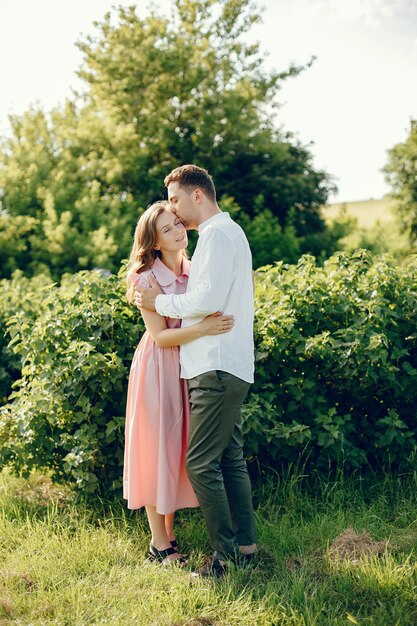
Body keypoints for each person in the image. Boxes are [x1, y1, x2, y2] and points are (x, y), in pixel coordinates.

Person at [134, 165, 257, 576]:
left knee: (203, 463)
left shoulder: (217, 237)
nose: (174, 211)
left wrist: (159, 304)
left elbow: (204, 299)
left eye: (175, 201)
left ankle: (226, 558)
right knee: (227, 459)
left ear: (197, 196)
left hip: (215, 366)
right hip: (212, 365)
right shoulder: (225, 235)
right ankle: (245, 548)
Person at [123, 200, 235, 566]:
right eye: (168, 229)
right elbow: (159, 337)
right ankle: (159, 545)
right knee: (157, 451)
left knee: (176, 452)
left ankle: (167, 534)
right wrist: (203, 328)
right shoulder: (145, 279)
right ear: (154, 242)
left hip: (189, 366)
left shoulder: (193, 268)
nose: (178, 231)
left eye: (177, 223)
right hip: (158, 368)